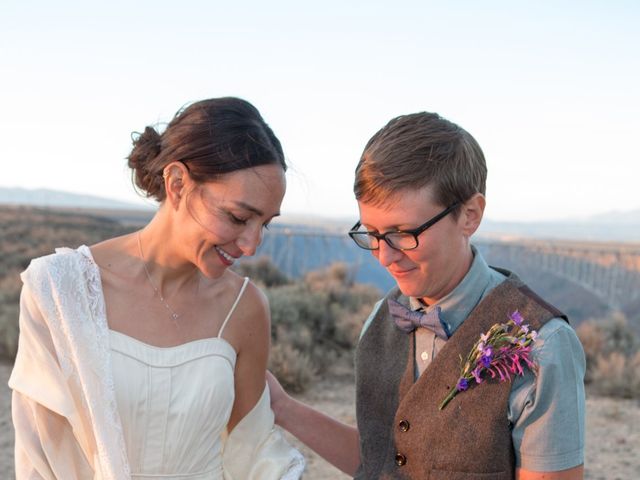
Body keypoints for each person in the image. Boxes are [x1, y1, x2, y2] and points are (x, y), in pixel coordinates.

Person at [268, 111, 585, 479]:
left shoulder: (543, 345)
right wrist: (282, 407)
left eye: (403, 233)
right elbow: (380, 459)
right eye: (371, 233)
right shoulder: (379, 320)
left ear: (469, 215)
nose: (384, 256)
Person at [9, 97, 305, 479]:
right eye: (238, 217)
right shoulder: (60, 289)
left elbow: (253, 453)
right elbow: (40, 456)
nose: (252, 244)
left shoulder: (245, 307)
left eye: (265, 223)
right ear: (178, 183)